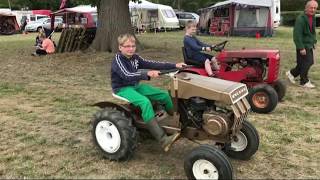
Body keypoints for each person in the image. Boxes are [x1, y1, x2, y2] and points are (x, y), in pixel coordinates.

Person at [111, 33, 186, 152]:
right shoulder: (118, 60)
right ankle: (163, 139)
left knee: (165, 95)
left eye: (133, 46)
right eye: (127, 46)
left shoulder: (135, 58)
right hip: (123, 88)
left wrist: (175, 65)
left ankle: (178, 122)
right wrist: (146, 73)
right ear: (120, 47)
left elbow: (153, 64)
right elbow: (127, 75)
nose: (131, 49)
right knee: (145, 102)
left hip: (135, 85)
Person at [286, 0, 318, 88]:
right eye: (311, 7)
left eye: (315, 8)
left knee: (302, 63)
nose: (313, 9)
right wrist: (301, 47)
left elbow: (312, 31)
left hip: (309, 44)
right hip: (303, 45)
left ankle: (291, 74)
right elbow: (297, 35)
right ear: (306, 8)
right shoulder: (301, 19)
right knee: (308, 62)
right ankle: (304, 81)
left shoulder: (313, 17)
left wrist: (314, 41)